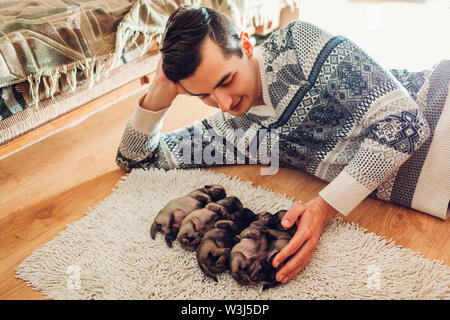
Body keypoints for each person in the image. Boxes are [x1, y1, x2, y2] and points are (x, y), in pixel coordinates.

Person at [116, 6, 449, 285]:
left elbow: (405, 125)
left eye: (226, 80)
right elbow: (138, 159)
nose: (225, 102)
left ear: (245, 45)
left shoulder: (296, 45)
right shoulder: (232, 128)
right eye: (203, 95)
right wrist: (158, 92)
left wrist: (323, 207)